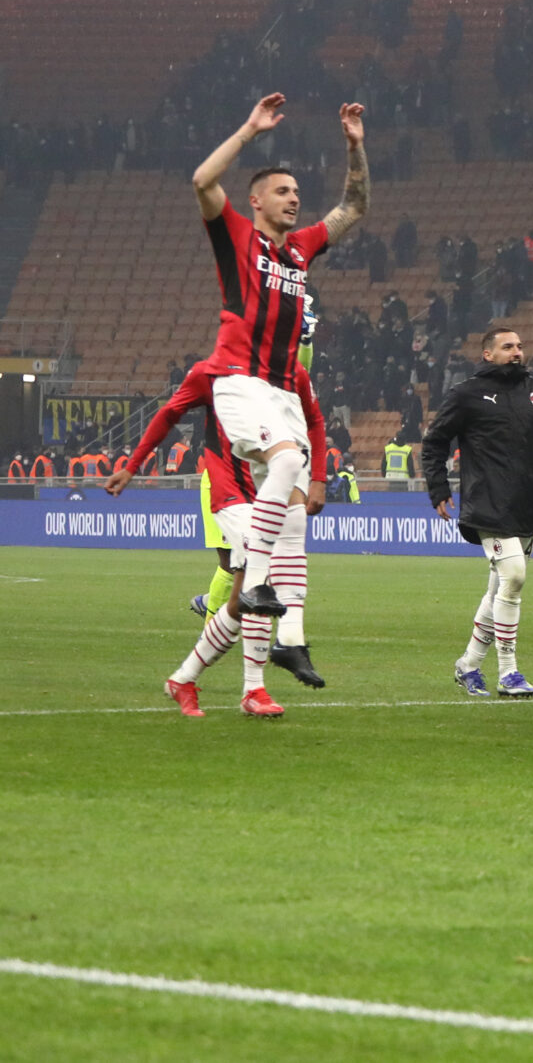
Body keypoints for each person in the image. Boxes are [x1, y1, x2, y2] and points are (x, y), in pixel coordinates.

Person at [190, 92, 368, 620]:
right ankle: (257, 586)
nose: (294, 199)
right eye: (283, 191)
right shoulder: (237, 236)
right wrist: (250, 130)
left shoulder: (301, 248)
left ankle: (272, 637)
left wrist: (354, 147)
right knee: (281, 483)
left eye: (297, 193)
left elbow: (353, 208)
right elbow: (202, 181)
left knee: (290, 532)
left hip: (279, 394)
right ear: (256, 201)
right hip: (241, 385)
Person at [113, 358, 328, 716]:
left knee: (242, 599)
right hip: (229, 492)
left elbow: (314, 421)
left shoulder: (290, 370)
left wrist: (317, 477)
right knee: (261, 583)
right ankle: (253, 690)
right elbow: (168, 413)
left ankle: (184, 678)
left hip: (268, 491)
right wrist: (132, 465)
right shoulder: (211, 372)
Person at [421, 326, 533, 699]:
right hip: (486, 503)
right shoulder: (467, 394)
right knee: (514, 577)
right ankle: (508, 672)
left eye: (519, 346)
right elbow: (435, 441)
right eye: (507, 347)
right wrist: (438, 487)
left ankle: (468, 664)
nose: (517, 352)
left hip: (525, 504)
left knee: (500, 587)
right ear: (488, 354)